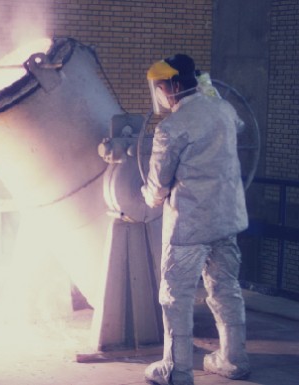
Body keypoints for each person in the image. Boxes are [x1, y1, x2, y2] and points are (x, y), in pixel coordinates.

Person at [141, 54, 250, 385]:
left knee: (176, 295)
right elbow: (240, 126)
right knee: (225, 288)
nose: (160, 94)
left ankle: (176, 370)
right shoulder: (223, 110)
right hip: (227, 219)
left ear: (173, 86)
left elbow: (158, 185)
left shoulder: (171, 128)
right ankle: (234, 360)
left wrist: (147, 197)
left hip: (190, 225)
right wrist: (209, 94)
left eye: (161, 88)